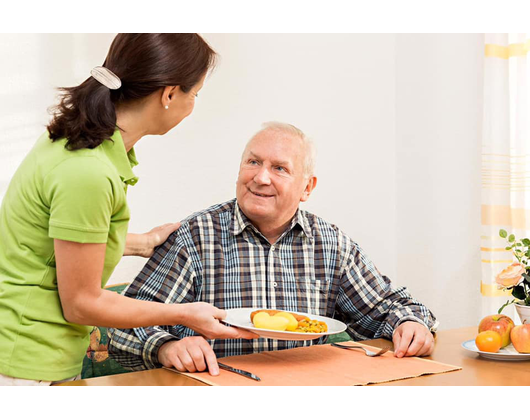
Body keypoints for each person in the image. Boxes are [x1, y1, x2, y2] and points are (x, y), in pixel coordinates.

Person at [0, 33, 255, 387]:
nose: (192, 104)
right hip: (23, 360)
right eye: (193, 94)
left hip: (32, 354)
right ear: (169, 94)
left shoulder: (78, 140)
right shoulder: (88, 172)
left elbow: (57, 240)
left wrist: (142, 242)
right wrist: (185, 315)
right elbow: (82, 303)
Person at [108, 122, 438, 377]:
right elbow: (123, 325)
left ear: (307, 187)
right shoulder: (195, 236)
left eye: (279, 168)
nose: (261, 177)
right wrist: (167, 347)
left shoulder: (330, 243)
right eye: (253, 162)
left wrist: (409, 324)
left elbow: (389, 308)